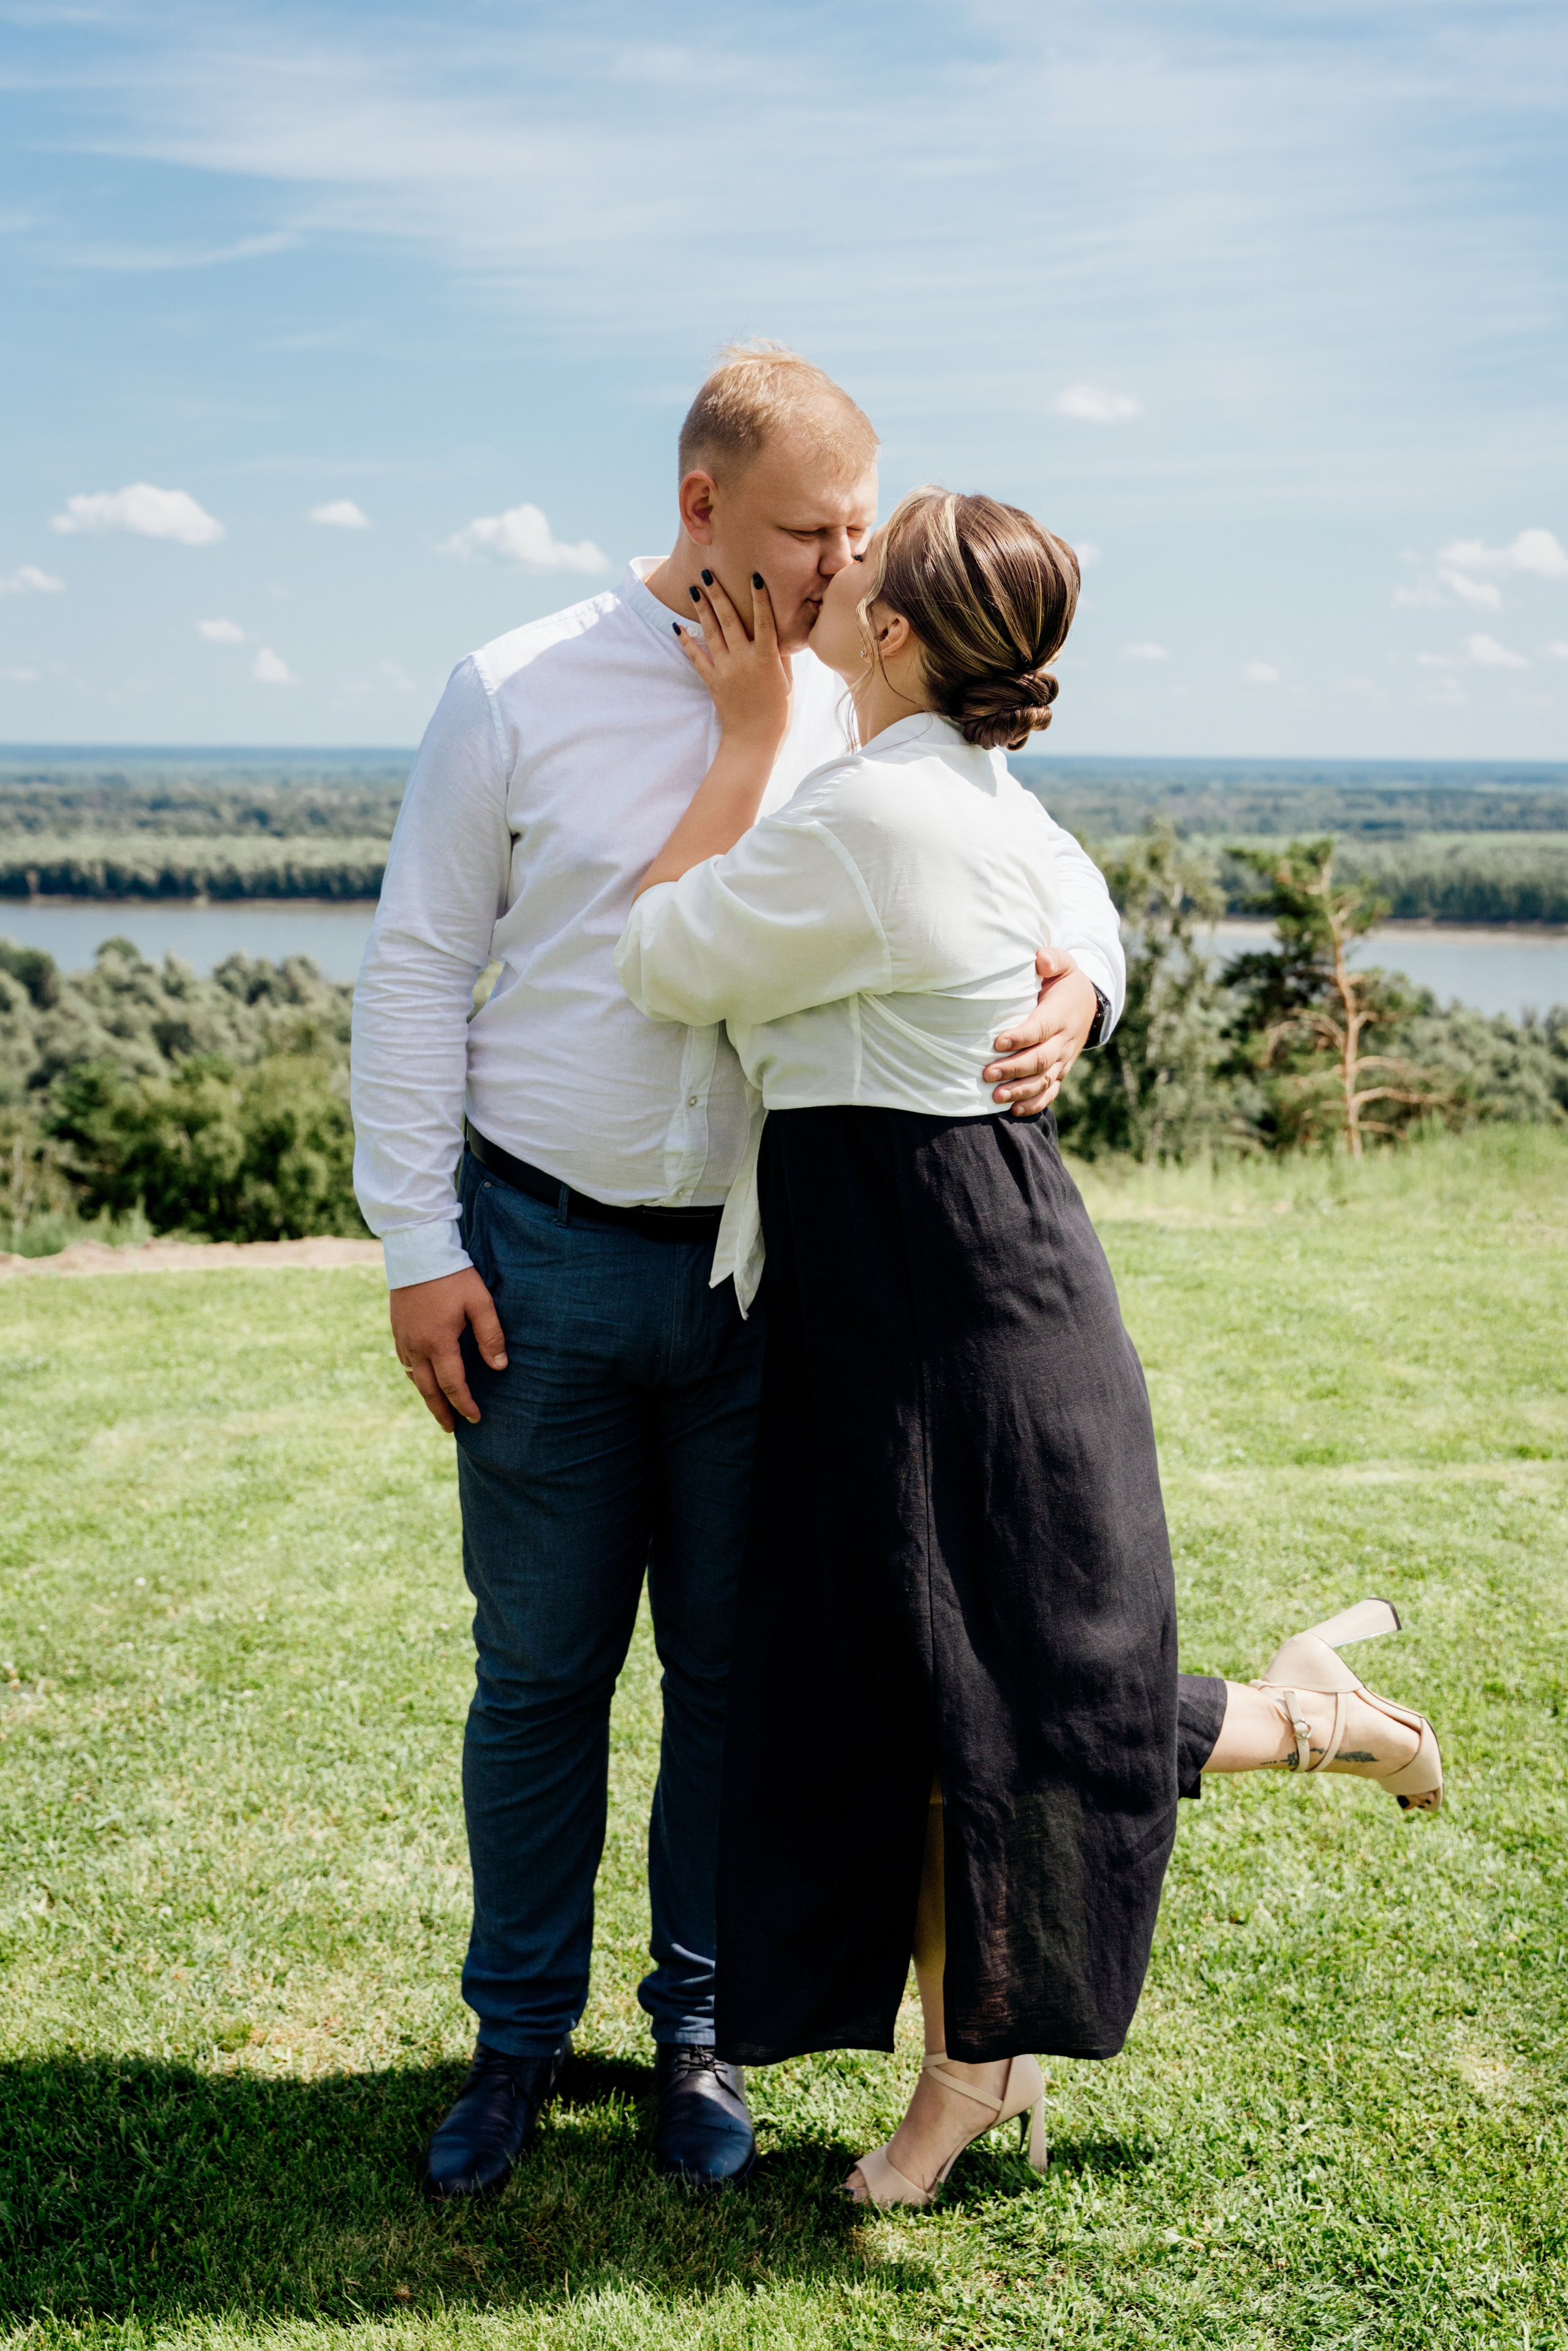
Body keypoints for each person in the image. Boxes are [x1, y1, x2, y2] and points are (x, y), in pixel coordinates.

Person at [349, 347, 1128, 2200]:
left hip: (773, 1279)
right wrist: (416, 1246)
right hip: (536, 1256)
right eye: (811, 532)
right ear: (700, 510)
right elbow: (413, 967)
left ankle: (697, 2035)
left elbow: (1056, 868)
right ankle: (516, 2043)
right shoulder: (519, 687)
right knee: (538, 1678)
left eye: (863, 529)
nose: (847, 566)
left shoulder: (873, 690)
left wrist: (1086, 985)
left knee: (736, 1678)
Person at [615, 486, 1444, 2209]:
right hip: (893, 1288)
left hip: (961, 1290)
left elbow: (657, 955)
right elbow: (1069, 902)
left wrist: (747, 732)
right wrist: (1081, 980)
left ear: (895, 631)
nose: (829, 573)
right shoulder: (932, 799)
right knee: (938, 1696)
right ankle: (1306, 1722)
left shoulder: (877, 814)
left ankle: (968, 2081)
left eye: (861, 561)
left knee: (998, 1702)